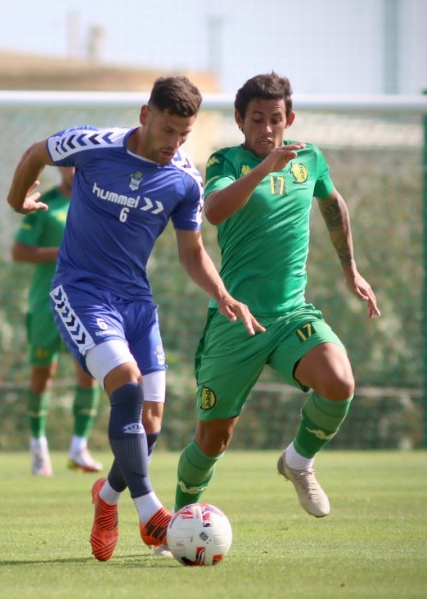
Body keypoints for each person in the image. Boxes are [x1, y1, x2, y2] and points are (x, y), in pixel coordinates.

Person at [6, 76, 263, 562]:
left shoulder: (186, 180)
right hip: (80, 291)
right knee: (125, 386)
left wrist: (223, 293)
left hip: (136, 304)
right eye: (167, 130)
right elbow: (36, 153)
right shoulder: (92, 145)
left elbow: (192, 253)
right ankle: (151, 514)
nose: (174, 144)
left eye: (183, 135)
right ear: (146, 116)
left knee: (151, 422)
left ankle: (106, 498)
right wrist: (16, 198)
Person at [173, 72, 381, 523]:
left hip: (290, 315)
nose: (267, 129)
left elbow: (332, 204)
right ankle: (178, 521)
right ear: (240, 120)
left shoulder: (310, 160)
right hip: (235, 319)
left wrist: (350, 269)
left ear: (290, 119)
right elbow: (213, 212)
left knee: (339, 381)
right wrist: (265, 169)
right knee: (212, 441)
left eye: (275, 119)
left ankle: (298, 461)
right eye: (257, 119)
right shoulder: (224, 161)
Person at [12, 165, 103, 476]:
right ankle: (38, 446)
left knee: (89, 372)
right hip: (46, 304)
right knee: (42, 375)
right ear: (61, 169)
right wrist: (64, 253)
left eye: (80, 164)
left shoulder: (98, 202)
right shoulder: (46, 204)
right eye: (68, 164)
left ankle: (79, 446)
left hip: (85, 305)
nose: (74, 170)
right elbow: (19, 251)